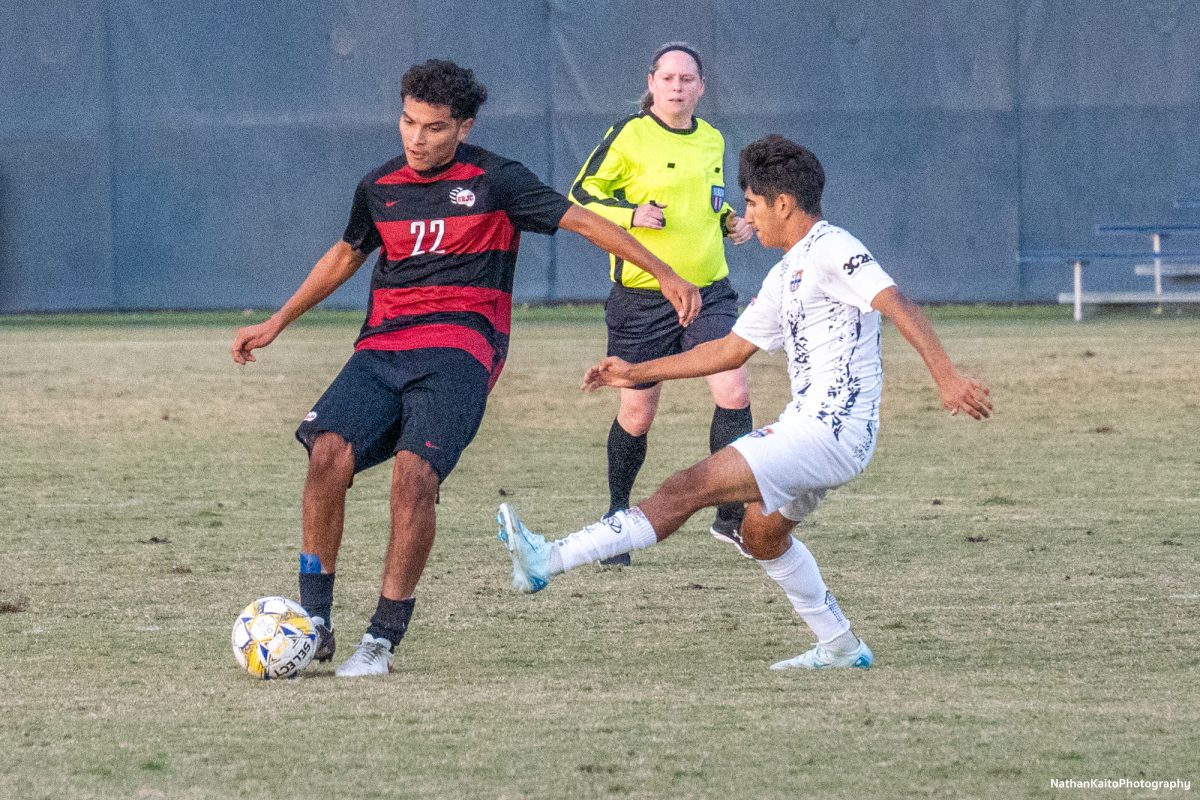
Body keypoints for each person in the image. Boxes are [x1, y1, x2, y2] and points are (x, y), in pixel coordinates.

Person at [230, 59, 700, 678]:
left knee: (413, 477)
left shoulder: (497, 180)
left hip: (461, 350)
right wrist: (278, 321)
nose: (416, 138)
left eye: (433, 127)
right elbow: (347, 253)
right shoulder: (380, 186)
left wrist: (663, 271)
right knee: (326, 455)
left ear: (464, 126)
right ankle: (315, 621)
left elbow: (585, 220)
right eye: (407, 121)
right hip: (381, 346)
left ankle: (381, 638)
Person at [498, 134, 992, 669]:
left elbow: (895, 301)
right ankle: (841, 647)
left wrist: (946, 377)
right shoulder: (786, 272)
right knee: (760, 536)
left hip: (829, 430)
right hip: (817, 429)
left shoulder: (833, 247)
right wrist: (636, 371)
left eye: (753, 204)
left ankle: (547, 559)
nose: (747, 216)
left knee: (685, 489)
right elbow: (729, 350)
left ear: (783, 204)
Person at [569, 42, 756, 564]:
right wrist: (631, 214)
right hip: (642, 299)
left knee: (733, 385)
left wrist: (732, 222)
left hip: (709, 291)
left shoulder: (713, 139)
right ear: (651, 82)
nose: (677, 87)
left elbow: (711, 200)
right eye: (668, 78)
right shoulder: (629, 134)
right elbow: (580, 194)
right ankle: (616, 517)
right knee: (637, 412)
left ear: (701, 87)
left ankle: (730, 514)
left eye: (687, 79)